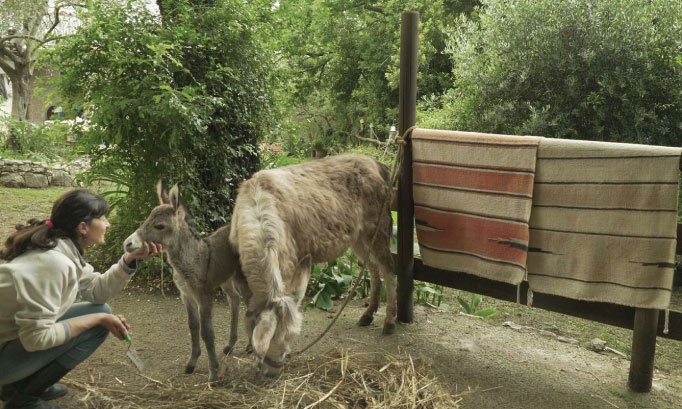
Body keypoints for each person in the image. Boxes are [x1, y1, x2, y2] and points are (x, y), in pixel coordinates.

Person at [0, 189, 162, 409]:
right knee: (99, 321)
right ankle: (23, 398)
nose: (108, 224)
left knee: (102, 311)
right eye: (103, 218)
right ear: (83, 227)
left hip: (9, 340)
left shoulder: (61, 249)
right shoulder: (54, 263)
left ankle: (16, 385)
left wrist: (129, 258)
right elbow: (35, 339)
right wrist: (96, 320)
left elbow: (96, 291)